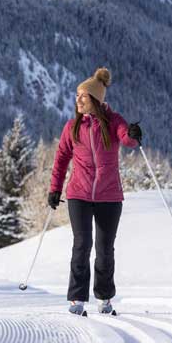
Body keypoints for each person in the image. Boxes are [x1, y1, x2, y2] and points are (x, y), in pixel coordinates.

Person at [48, 67, 142, 316]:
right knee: (82, 244)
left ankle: (105, 298)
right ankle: (76, 299)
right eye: (77, 95)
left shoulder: (114, 122)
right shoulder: (72, 127)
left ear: (96, 100)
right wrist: (55, 189)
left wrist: (133, 135)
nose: (78, 100)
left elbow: (127, 139)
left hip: (109, 196)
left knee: (104, 248)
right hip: (79, 194)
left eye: (83, 96)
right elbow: (61, 159)